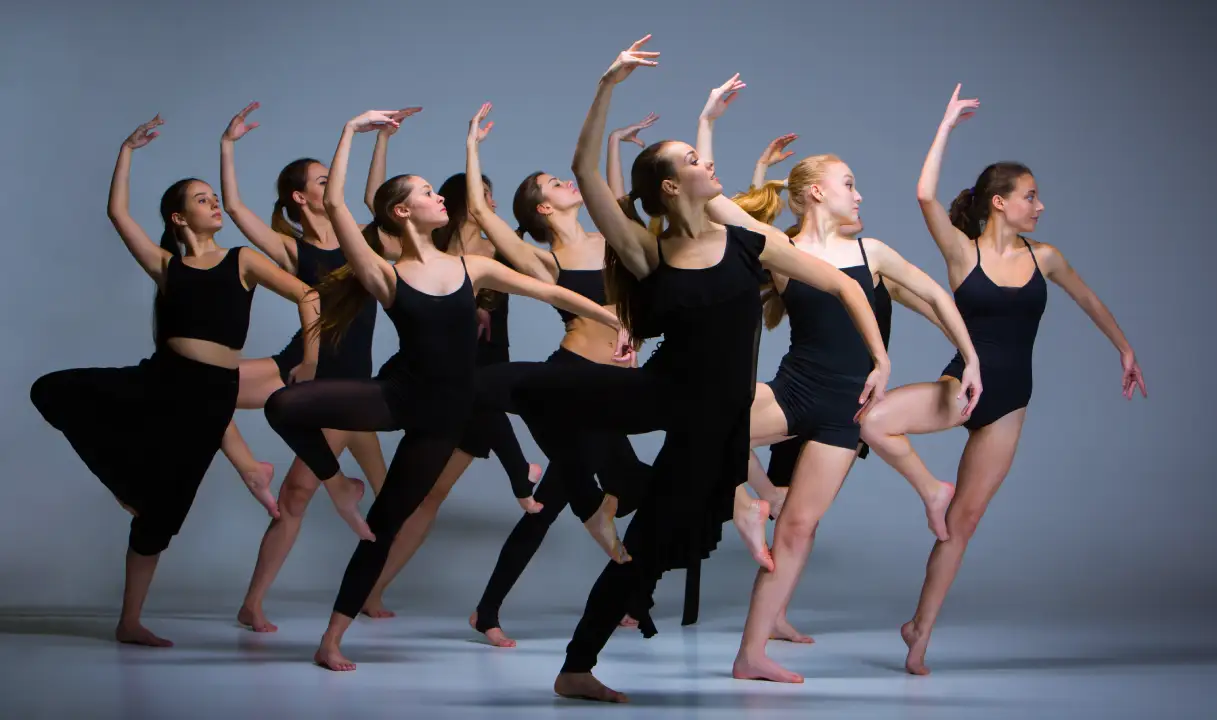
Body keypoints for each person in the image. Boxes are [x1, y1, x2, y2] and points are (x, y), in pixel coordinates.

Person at [499, 38, 890, 702]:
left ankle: (575, 668)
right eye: (688, 158)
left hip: (714, 428)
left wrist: (879, 360)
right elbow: (585, 173)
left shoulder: (748, 241)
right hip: (659, 391)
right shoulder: (648, 250)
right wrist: (606, 86)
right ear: (671, 187)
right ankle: (456, 406)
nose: (704, 161)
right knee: (520, 384)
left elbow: (842, 285)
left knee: (650, 549)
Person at [259, 108, 628, 671]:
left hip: (444, 416)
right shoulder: (385, 274)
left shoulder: (472, 267)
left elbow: (549, 293)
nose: (440, 199)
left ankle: (331, 639)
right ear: (403, 211)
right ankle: (337, 489)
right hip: (397, 393)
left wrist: (613, 321)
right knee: (283, 404)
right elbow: (336, 205)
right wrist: (351, 131)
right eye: (429, 192)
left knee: (382, 527)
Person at [858, 84, 1147, 675]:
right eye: (1030, 197)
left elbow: (1089, 301)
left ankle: (919, 634)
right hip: (960, 390)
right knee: (874, 422)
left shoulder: (1047, 258)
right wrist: (945, 124)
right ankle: (927, 489)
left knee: (962, 526)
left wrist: (1124, 349)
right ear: (998, 202)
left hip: (1010, 403)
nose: (1039, 206)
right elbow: (923, 194)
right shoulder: (963, 255)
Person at [691, 96, 980, 684]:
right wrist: (707, 123)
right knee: (706, 421)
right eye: (849, 183)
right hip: (795, 389)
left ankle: (751, 655)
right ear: (817, 192)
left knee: (799, 528)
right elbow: (716, 208)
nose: (860, 194)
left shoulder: (873, 253)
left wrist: (970, 358)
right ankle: (749, 500)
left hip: (846, 414)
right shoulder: (783, 249)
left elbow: (936, 297)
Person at [29, 115, 323, 647]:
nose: (213, 204)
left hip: (210, 398)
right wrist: (126, 151)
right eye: (202, 198)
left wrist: (311, 363)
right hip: (162, 380)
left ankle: (129, 622)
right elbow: (117, 213)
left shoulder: (243, 260)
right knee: (51, 389)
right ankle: (129, 493)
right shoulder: (167, 266)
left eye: (215, 197)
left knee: (159, 522)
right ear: (178, 216)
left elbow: (309, 296)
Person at [464, 104, 659, 647]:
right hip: (573, 377)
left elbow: (622, 206)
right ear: (543, 207)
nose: (568, 182)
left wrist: (618, 143)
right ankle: (630, 597)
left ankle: (489, 609)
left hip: (617, 384)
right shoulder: (544, 262)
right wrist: (473, 143)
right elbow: (482, 213)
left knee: (572, 499)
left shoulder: (606, 239)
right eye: (554, 183)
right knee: (593, 494)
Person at [214, 102, 406, 631]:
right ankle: (252, 599)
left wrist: (382, 140)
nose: (330, 184)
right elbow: (234, 207)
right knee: (201, 387)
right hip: (300, 365)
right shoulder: (291, 248)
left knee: (312, 493)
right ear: (301, 197)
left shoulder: (367, 240)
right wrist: (228, 145)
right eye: (322, 180)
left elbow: (379, 200)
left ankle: (358, 590)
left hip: (347, 386)